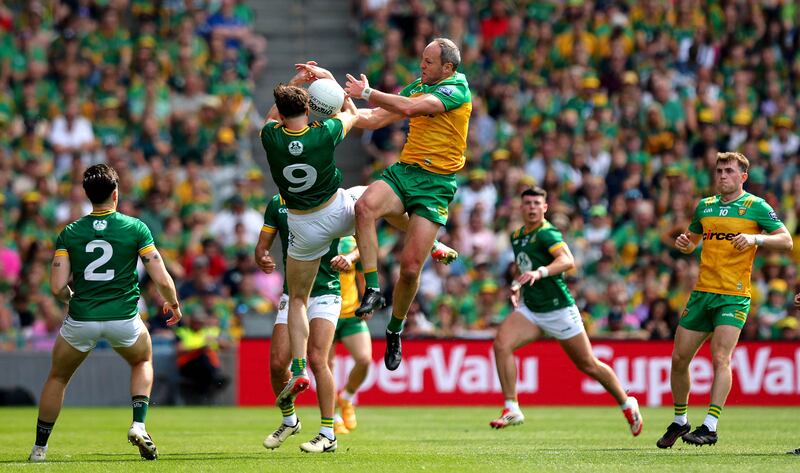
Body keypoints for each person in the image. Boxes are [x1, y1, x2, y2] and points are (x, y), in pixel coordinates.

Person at [28, 164, 182, 462]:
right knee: (142, 359)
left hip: (81, 319)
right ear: (115, 194)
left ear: (88, 196)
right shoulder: (135, 228)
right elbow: (161, 277)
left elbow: (57, 287)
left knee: (58, 377)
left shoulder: (70, 232)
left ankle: (39, 449)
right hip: (124, 319)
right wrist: (173, 304)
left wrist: (73, 299)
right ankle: (138, 424)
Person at [345, 37, 469, 371]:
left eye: (429, 62)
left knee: (411, 268)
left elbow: (411, 108)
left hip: (437, 185)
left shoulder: (457, 89)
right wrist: (337, 103)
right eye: (422, 59)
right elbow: (372, 118)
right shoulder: (418, 84)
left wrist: (368, 93)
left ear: (448, 67)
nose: (422, 66)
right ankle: (372, 287)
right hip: (405, 172)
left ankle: (394, 329)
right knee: (364, 207)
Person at [657, 152, 792, 448]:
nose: (722, 176)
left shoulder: (756, 207)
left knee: (721, 357)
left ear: (743, 176)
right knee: (679, 359)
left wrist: (755, 239)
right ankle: (681, 421)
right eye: (719, 171)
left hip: (734, 296)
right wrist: (685, 244)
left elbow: (786, 240)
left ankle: (711, 425)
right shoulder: (705, 206)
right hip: (702, 292)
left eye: (729, 171)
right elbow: (692, 240)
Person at [490, 187, 643, 437]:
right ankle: (512, 406)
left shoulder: (547, 233)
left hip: (559, 309)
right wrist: (518, 284)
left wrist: (539, 273)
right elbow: (526, 268)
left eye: (537, 203)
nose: (531, 207)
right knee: (501, 345)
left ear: (545, 207)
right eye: (527, 203)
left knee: (588, 364)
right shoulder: (517, 236)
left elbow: (567, 260)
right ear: (521, 207)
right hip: (533, 310)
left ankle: (627, 403)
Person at [255, 192, 344, 453]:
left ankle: (328, 433)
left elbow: (362, 238)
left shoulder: (334, 200)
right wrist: (262, 257)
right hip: (293, 294)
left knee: (318, 359)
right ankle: (289, 420)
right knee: (276, 363)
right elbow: (262, 247)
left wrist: (350, 258)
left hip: (327, 291)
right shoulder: (276, 203)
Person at [327, 236, 371, 435]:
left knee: (364, 359)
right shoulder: (319, 233)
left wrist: (366, 300)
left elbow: (361, 272)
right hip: (325, 312)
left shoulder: (351, 240)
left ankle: (347, 397)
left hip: (350, 312)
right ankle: (333, 417)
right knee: (327, 366)